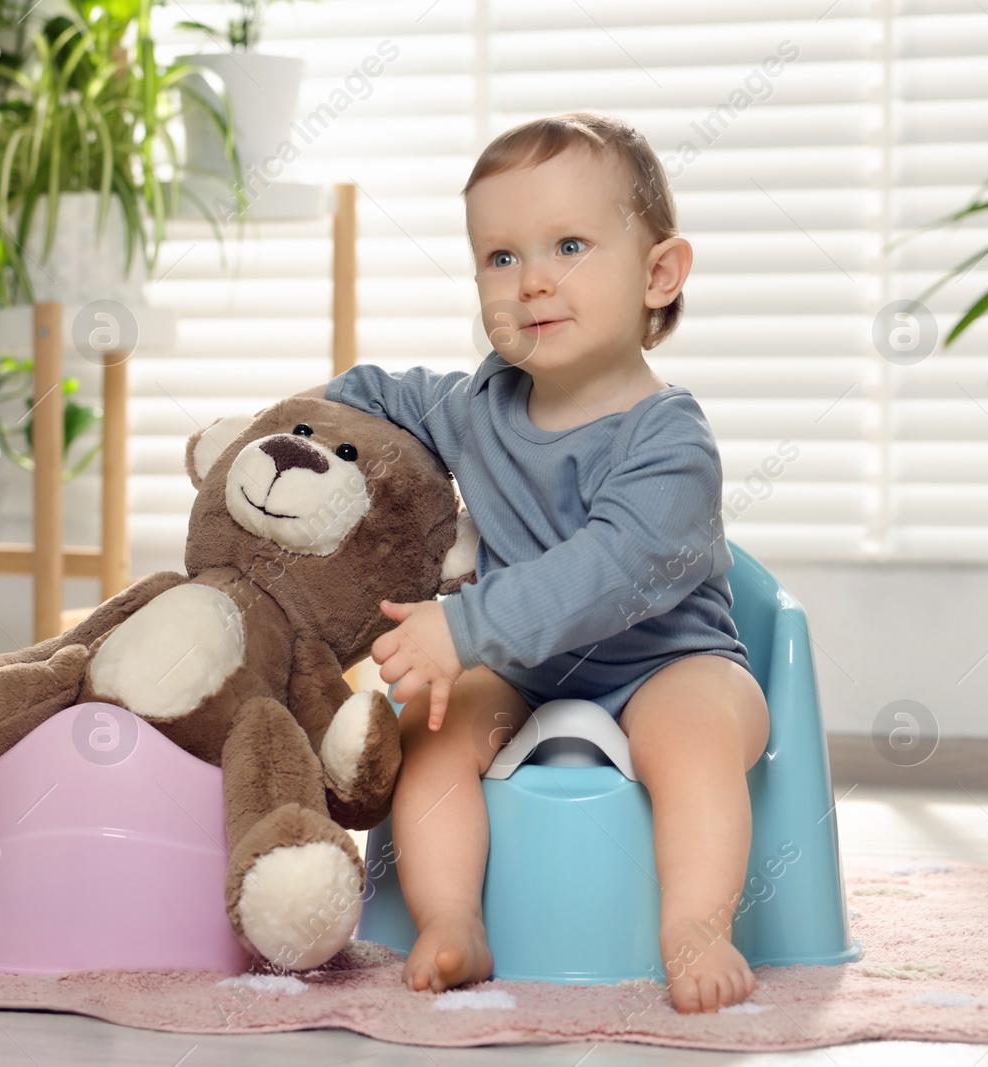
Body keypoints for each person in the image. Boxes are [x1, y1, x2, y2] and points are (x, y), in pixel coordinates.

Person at [293, 111, 771, 1014]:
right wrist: (289, 427)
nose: (533, 281)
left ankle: (697, 923)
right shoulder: (482, 403)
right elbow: (374, 396)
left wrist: (465, 626)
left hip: (672, 661)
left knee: (696, 741)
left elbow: (616, 564)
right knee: (429, 735)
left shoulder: (671, 439)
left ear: (659, 274)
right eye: (501, 258)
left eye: (571, 245)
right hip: (526, 669)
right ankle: (449, 918)